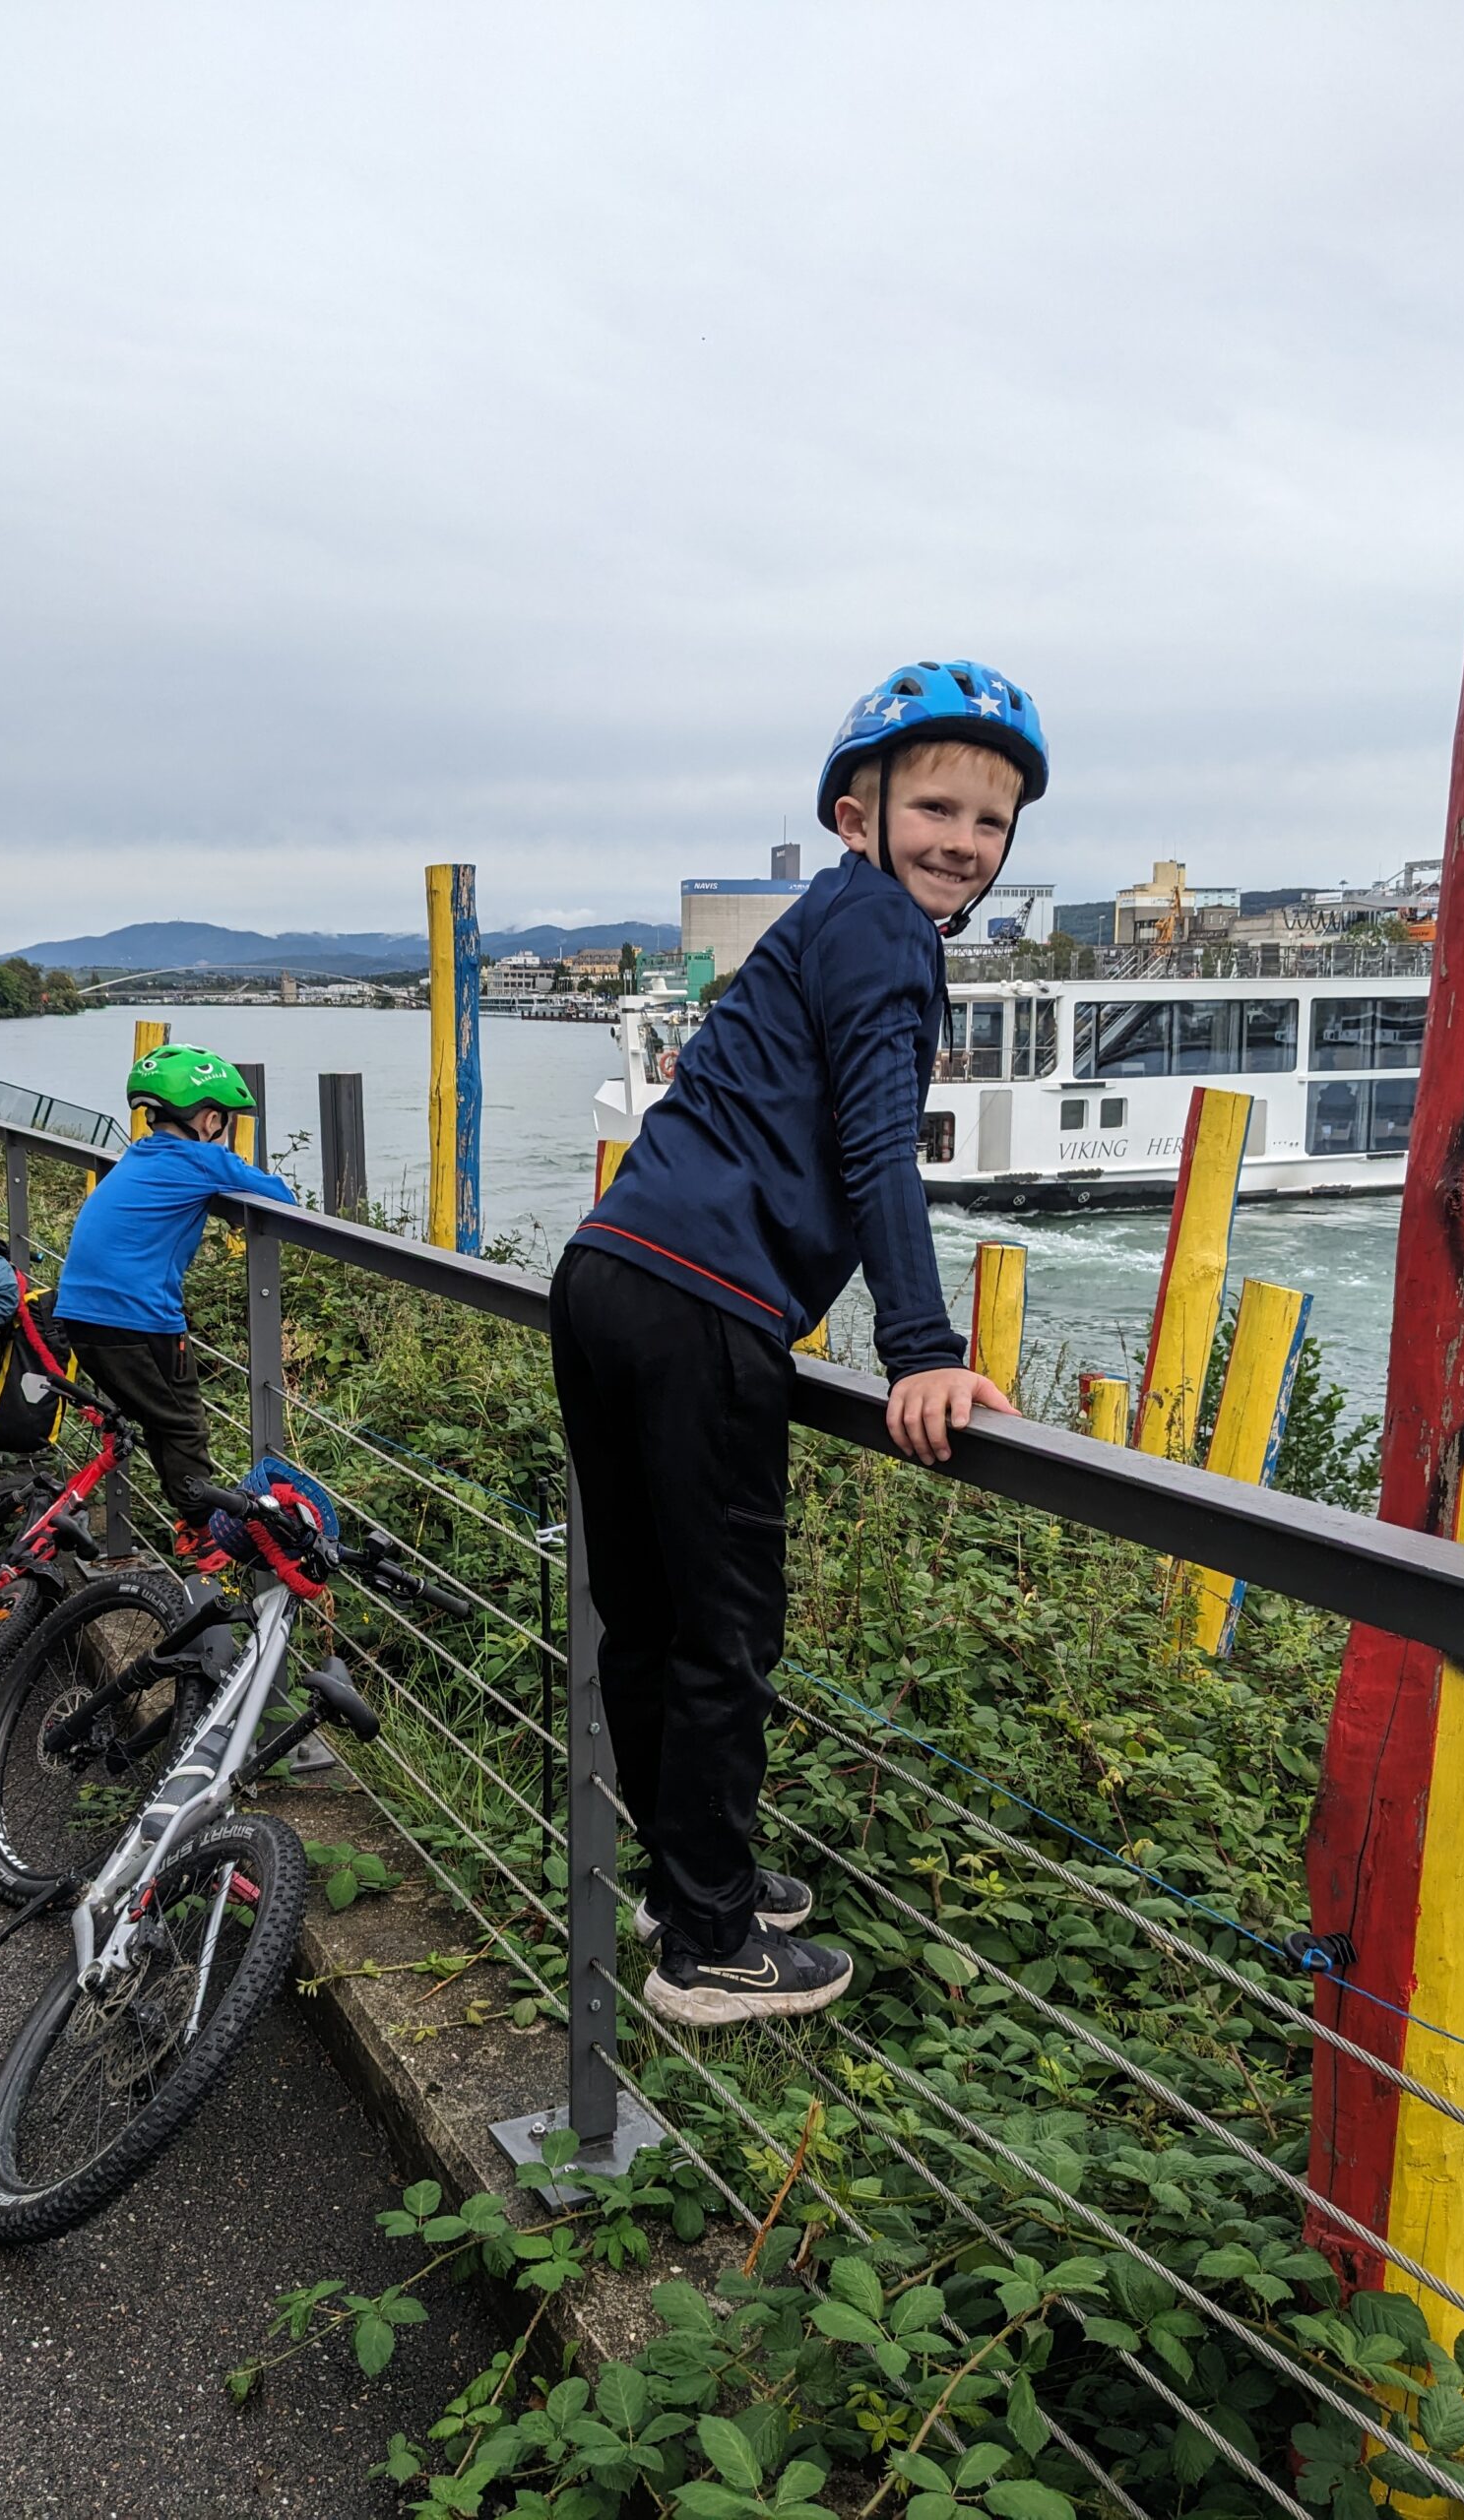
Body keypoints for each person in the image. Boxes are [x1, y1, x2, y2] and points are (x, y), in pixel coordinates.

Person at [549, 659, 1048, 2029]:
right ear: (855, 814)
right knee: (723, 1631)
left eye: (992, 821)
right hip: (703, 1300)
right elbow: (880, 1146)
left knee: (648, 1615)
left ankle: (687, 1879)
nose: (964, 840)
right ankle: (710, 1947)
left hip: (605, 1274)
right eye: (936, 807)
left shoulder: (825, 915)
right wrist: (922, 1349)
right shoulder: (889, 931)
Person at [53, 1045, 296, 1564]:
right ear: (210, 1120)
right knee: (183, 1423)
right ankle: (205, 1531)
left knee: (161, 1419)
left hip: (81, 1312)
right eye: (225, 1120)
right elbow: (282, 1198)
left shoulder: (139, 1155)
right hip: (138, 1319)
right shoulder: (201, 1159)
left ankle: (190, 1519)